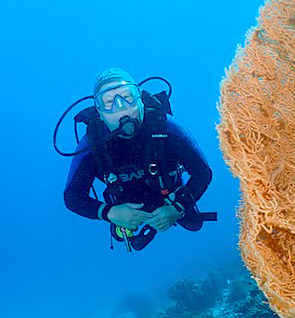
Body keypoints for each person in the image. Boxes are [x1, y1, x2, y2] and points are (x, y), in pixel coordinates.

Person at [63, 68, 215, 251]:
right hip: (126, 204)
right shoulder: (93, 144)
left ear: (140, 100)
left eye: (128, 97)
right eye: (109, 102)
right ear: (100, 113)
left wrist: (177, 208)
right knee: (121, 236)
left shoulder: (167, 128)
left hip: (170, 194)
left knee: (194, 224)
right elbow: (72, 197)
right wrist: (110, 213)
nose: (121, 108)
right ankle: (125, 224)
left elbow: (203, 172)